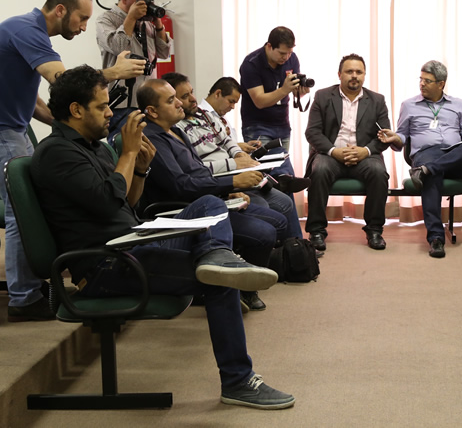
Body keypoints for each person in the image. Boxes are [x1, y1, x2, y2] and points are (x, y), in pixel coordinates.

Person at [30, 65, 294, 409]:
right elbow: (110, 200)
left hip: (132, 242)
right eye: (102, 106)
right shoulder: (57, 153)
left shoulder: (92, 146)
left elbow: (126, 202)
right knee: (221, 281)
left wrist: (138, 168)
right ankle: (238, 381)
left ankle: (216, 255)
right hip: (105, 265)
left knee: (209, 203)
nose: (111, 113)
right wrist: (126, 154)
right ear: (76, 110)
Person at [0, 0, 144, 321]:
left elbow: (36, 99)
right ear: (60, 10)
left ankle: (42, 281)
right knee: (21, 209)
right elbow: (62, 81)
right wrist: (113, 72)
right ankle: (24, 298)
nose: (84, 26)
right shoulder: (27, 29)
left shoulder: (28, 33)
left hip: (6, 127)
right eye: (81, 18)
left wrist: (63, 125)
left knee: (39, 201)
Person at [136, 79, 288, 311]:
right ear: (152, 111)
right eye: (171, 100)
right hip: (187, 208)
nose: (180, 103)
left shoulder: (175, 129)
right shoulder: (154, 138)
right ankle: (235, 288)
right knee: (265, 233)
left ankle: (243, 275)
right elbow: (180, 185)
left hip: (209, 197)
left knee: (278, 220)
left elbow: (198, 170)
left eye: (180, 97)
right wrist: (231, 181)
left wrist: (228, 188)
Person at [165, 72, 304, 241]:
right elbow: (197, 167)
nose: (193, 99)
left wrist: (239, 155)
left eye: (192, 92)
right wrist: (235, 163)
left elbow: (227, 140)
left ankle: (296, 249)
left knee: (285, 201)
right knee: (268, 206)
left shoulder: (204, 116)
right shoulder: (177, 129)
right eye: (185, 96)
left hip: (231, 170)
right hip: (218, 179)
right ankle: (277, 182)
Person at [378, 60, 462, 258]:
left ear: (441, 84)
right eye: (421, 79)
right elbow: (402, 135)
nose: (422, 84)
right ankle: (436, 237)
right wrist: (395, 138)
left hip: (454, 156)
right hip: (426, 152)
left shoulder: (459, 105)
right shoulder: (409, 105)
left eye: (427, 81)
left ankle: (427, 169)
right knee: (432, 173)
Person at [304, 54, 391, 251]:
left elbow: (384, 136)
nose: (354, 76)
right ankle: (316, 231)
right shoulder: (323, 96)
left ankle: (374, 230)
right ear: (339, 74)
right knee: (319, 171)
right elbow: (313, 132)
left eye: (359, 72)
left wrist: (366, 151)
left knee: (379, 173)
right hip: (331, 154)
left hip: (364, 156)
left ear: (364, 75)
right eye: (349, 71)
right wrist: (334, 151)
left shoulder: (377, 100)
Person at [95, 0, 171, 139]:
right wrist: (131, 18)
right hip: (122, 103)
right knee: (125, 149)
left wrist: (158, 25)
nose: (146, 4)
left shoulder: (146, 22)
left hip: (149, 102)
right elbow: (119, 47)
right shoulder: (105, 20)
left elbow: (165, 53)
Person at [239, 26, 310, 181]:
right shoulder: (251, 64)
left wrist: (302, 91)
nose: (286, 57)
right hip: (257, 126)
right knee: (268, 174)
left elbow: (294, 91)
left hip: (282, 125)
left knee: (282, 177)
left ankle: (285, 202)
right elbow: (259, 101)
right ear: (269, 46)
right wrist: (285, 89)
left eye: (290, 52)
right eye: (282, 53)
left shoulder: (292, 58)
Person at [198, 77, 262, 155]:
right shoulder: (199, 116)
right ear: (218, 94)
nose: (233, 107)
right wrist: (237, 146)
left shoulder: (221, 116)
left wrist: (245, 146)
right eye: (231, 101)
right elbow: (206, 149)